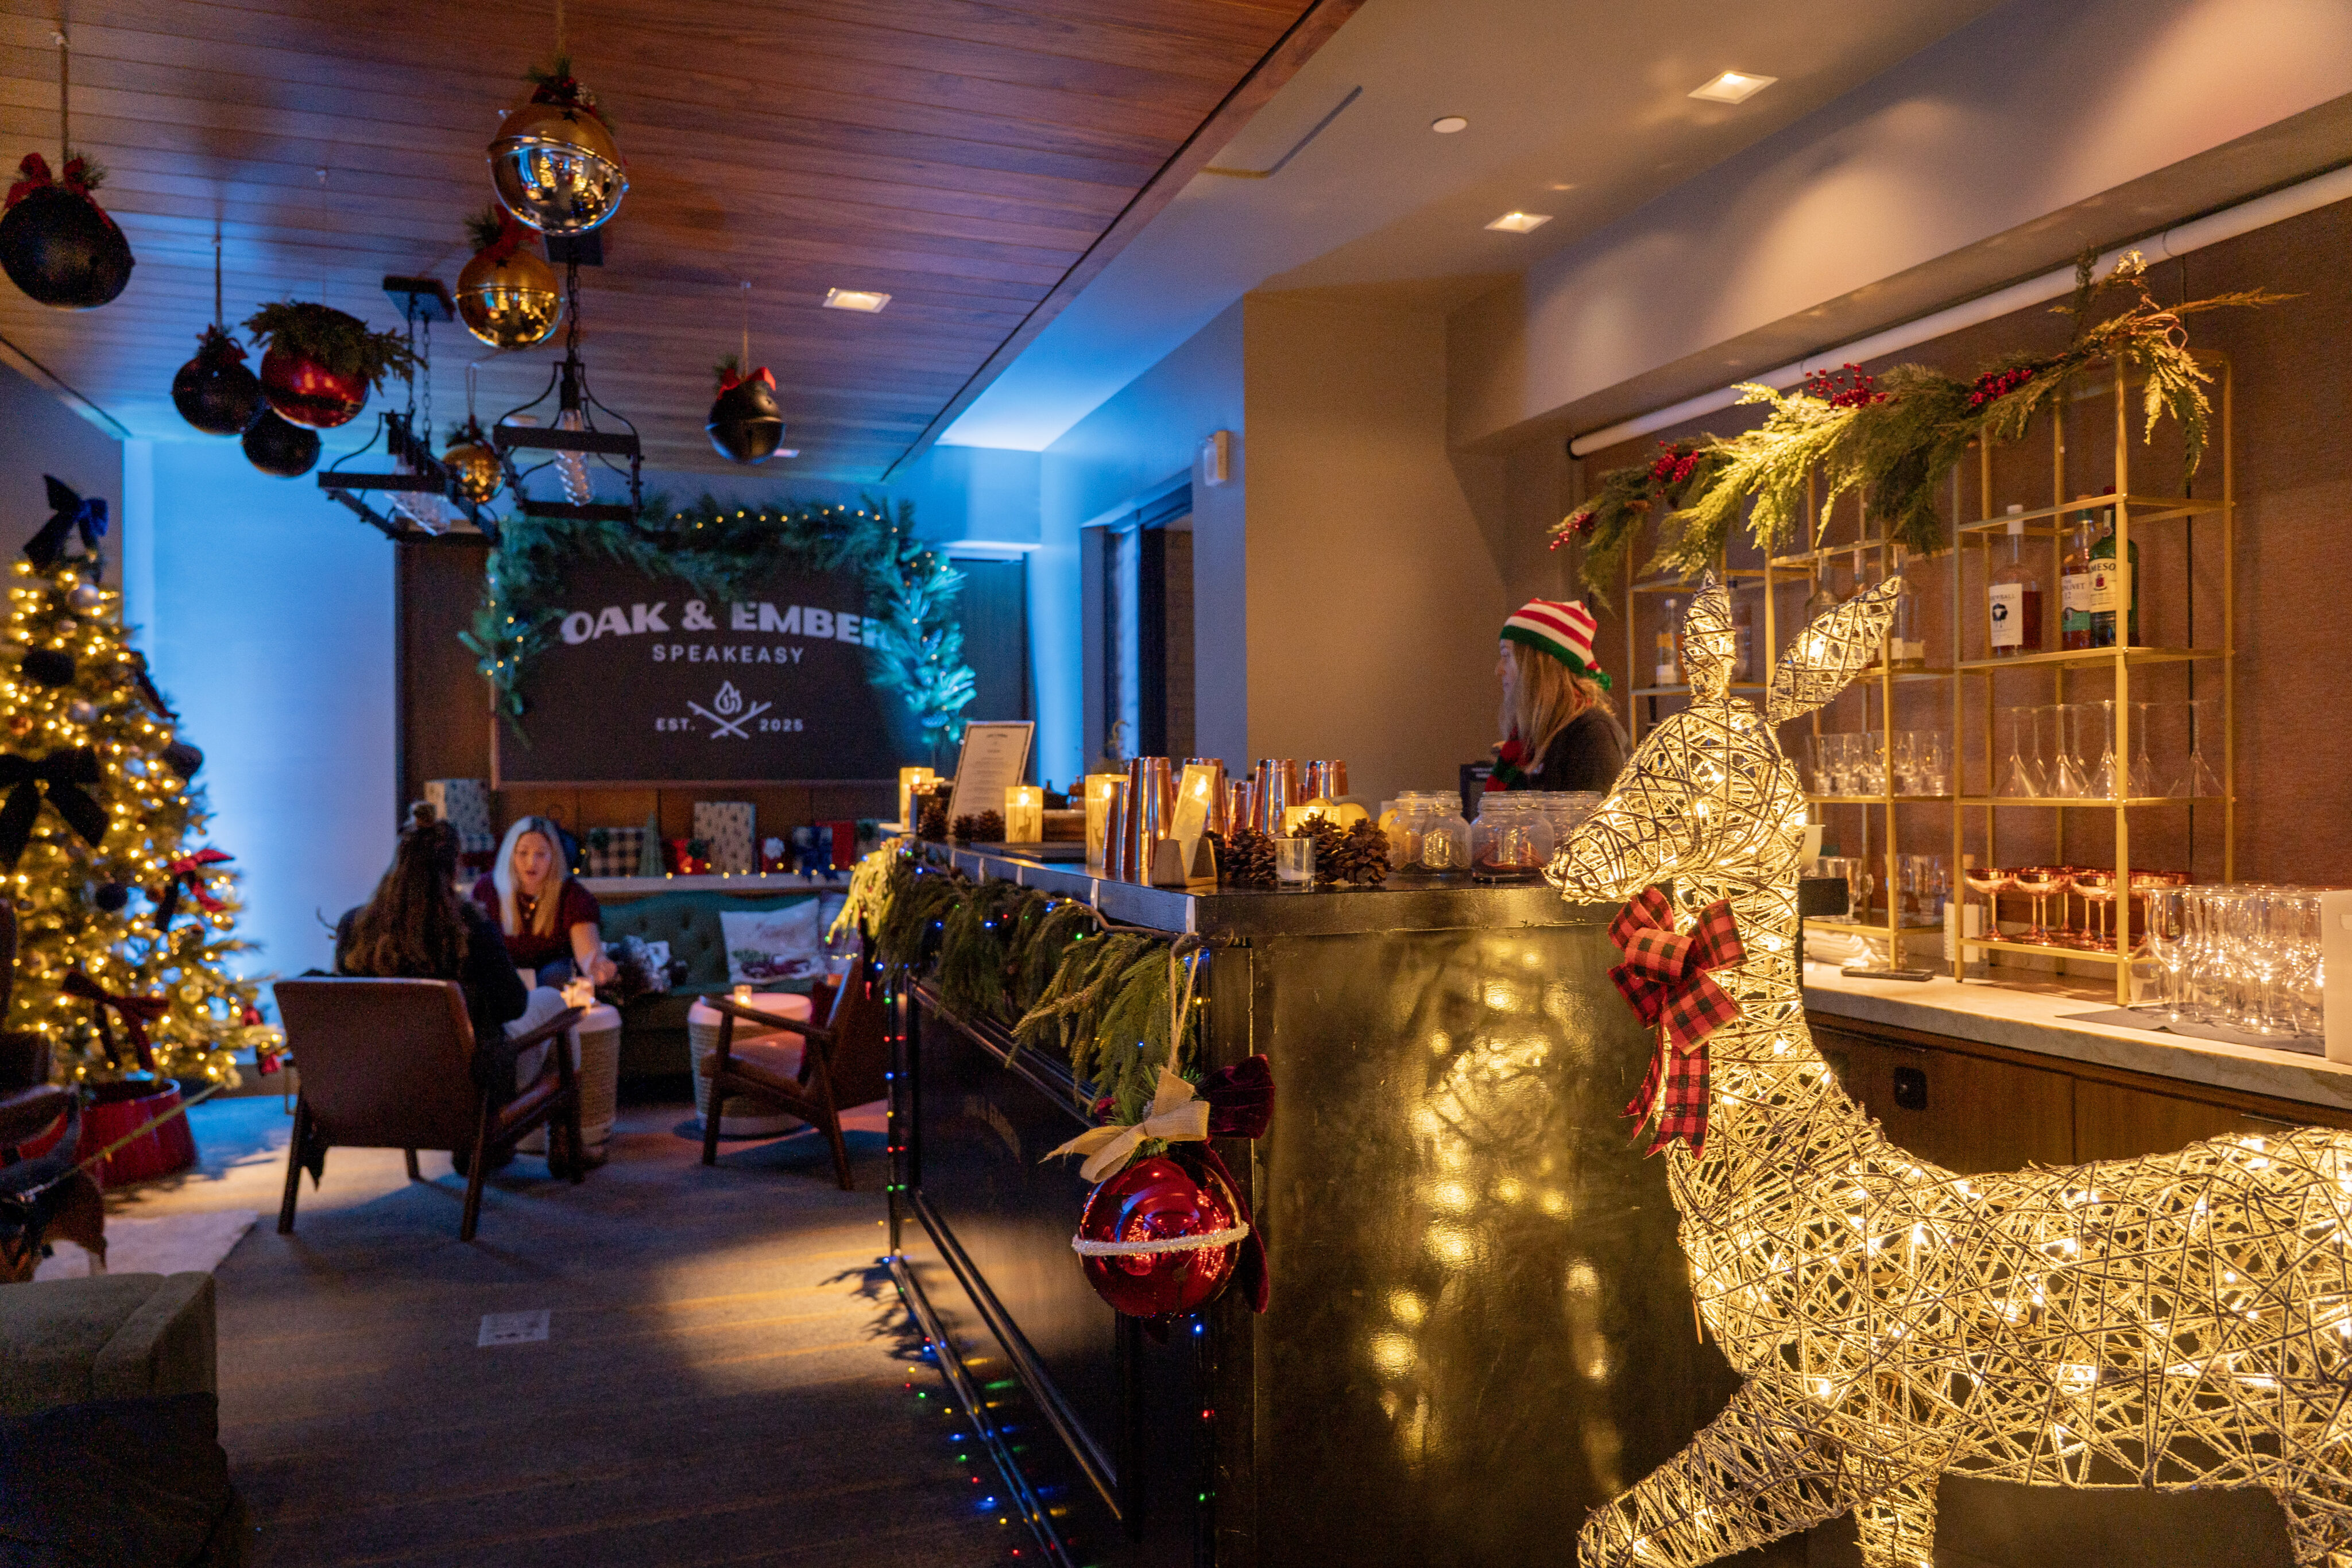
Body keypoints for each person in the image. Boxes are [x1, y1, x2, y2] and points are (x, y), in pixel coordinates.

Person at [335, 803, 573, 1119]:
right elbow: (514, 1006)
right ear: (454, 868)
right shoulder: (470, 926)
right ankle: (568, 1134)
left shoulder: (355, 926)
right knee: (554, 1002)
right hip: (467, 1089)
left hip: (381, 1087)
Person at [1488, 597, 1628, 795]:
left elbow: (1600, 814)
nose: (1499, 670)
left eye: (1506, 656)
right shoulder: (1531, 738)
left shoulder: (1591, 734)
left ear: (1538, 665)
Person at [474, 816, 617, 989]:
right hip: (502, 982)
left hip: (554, 982)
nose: (531, 862)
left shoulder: (571, 894)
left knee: (555, 976)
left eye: (541, 854)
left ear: (553, 857)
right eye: (523, 853)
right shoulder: (488, 889)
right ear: (510, 854)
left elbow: (588, 954)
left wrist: (599, 969)